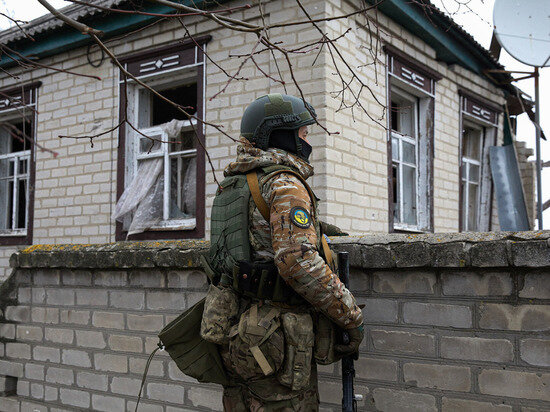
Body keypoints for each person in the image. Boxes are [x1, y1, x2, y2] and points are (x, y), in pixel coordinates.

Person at [202, 93, 364, 411]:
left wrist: (318, 228)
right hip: (274, 339)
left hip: (235, 331)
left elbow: (255, 235)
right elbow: (297, 261)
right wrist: (350, 316)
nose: (307, 142)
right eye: (303, 134)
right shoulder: (284, 183)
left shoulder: (235, 183)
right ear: (281, 136)